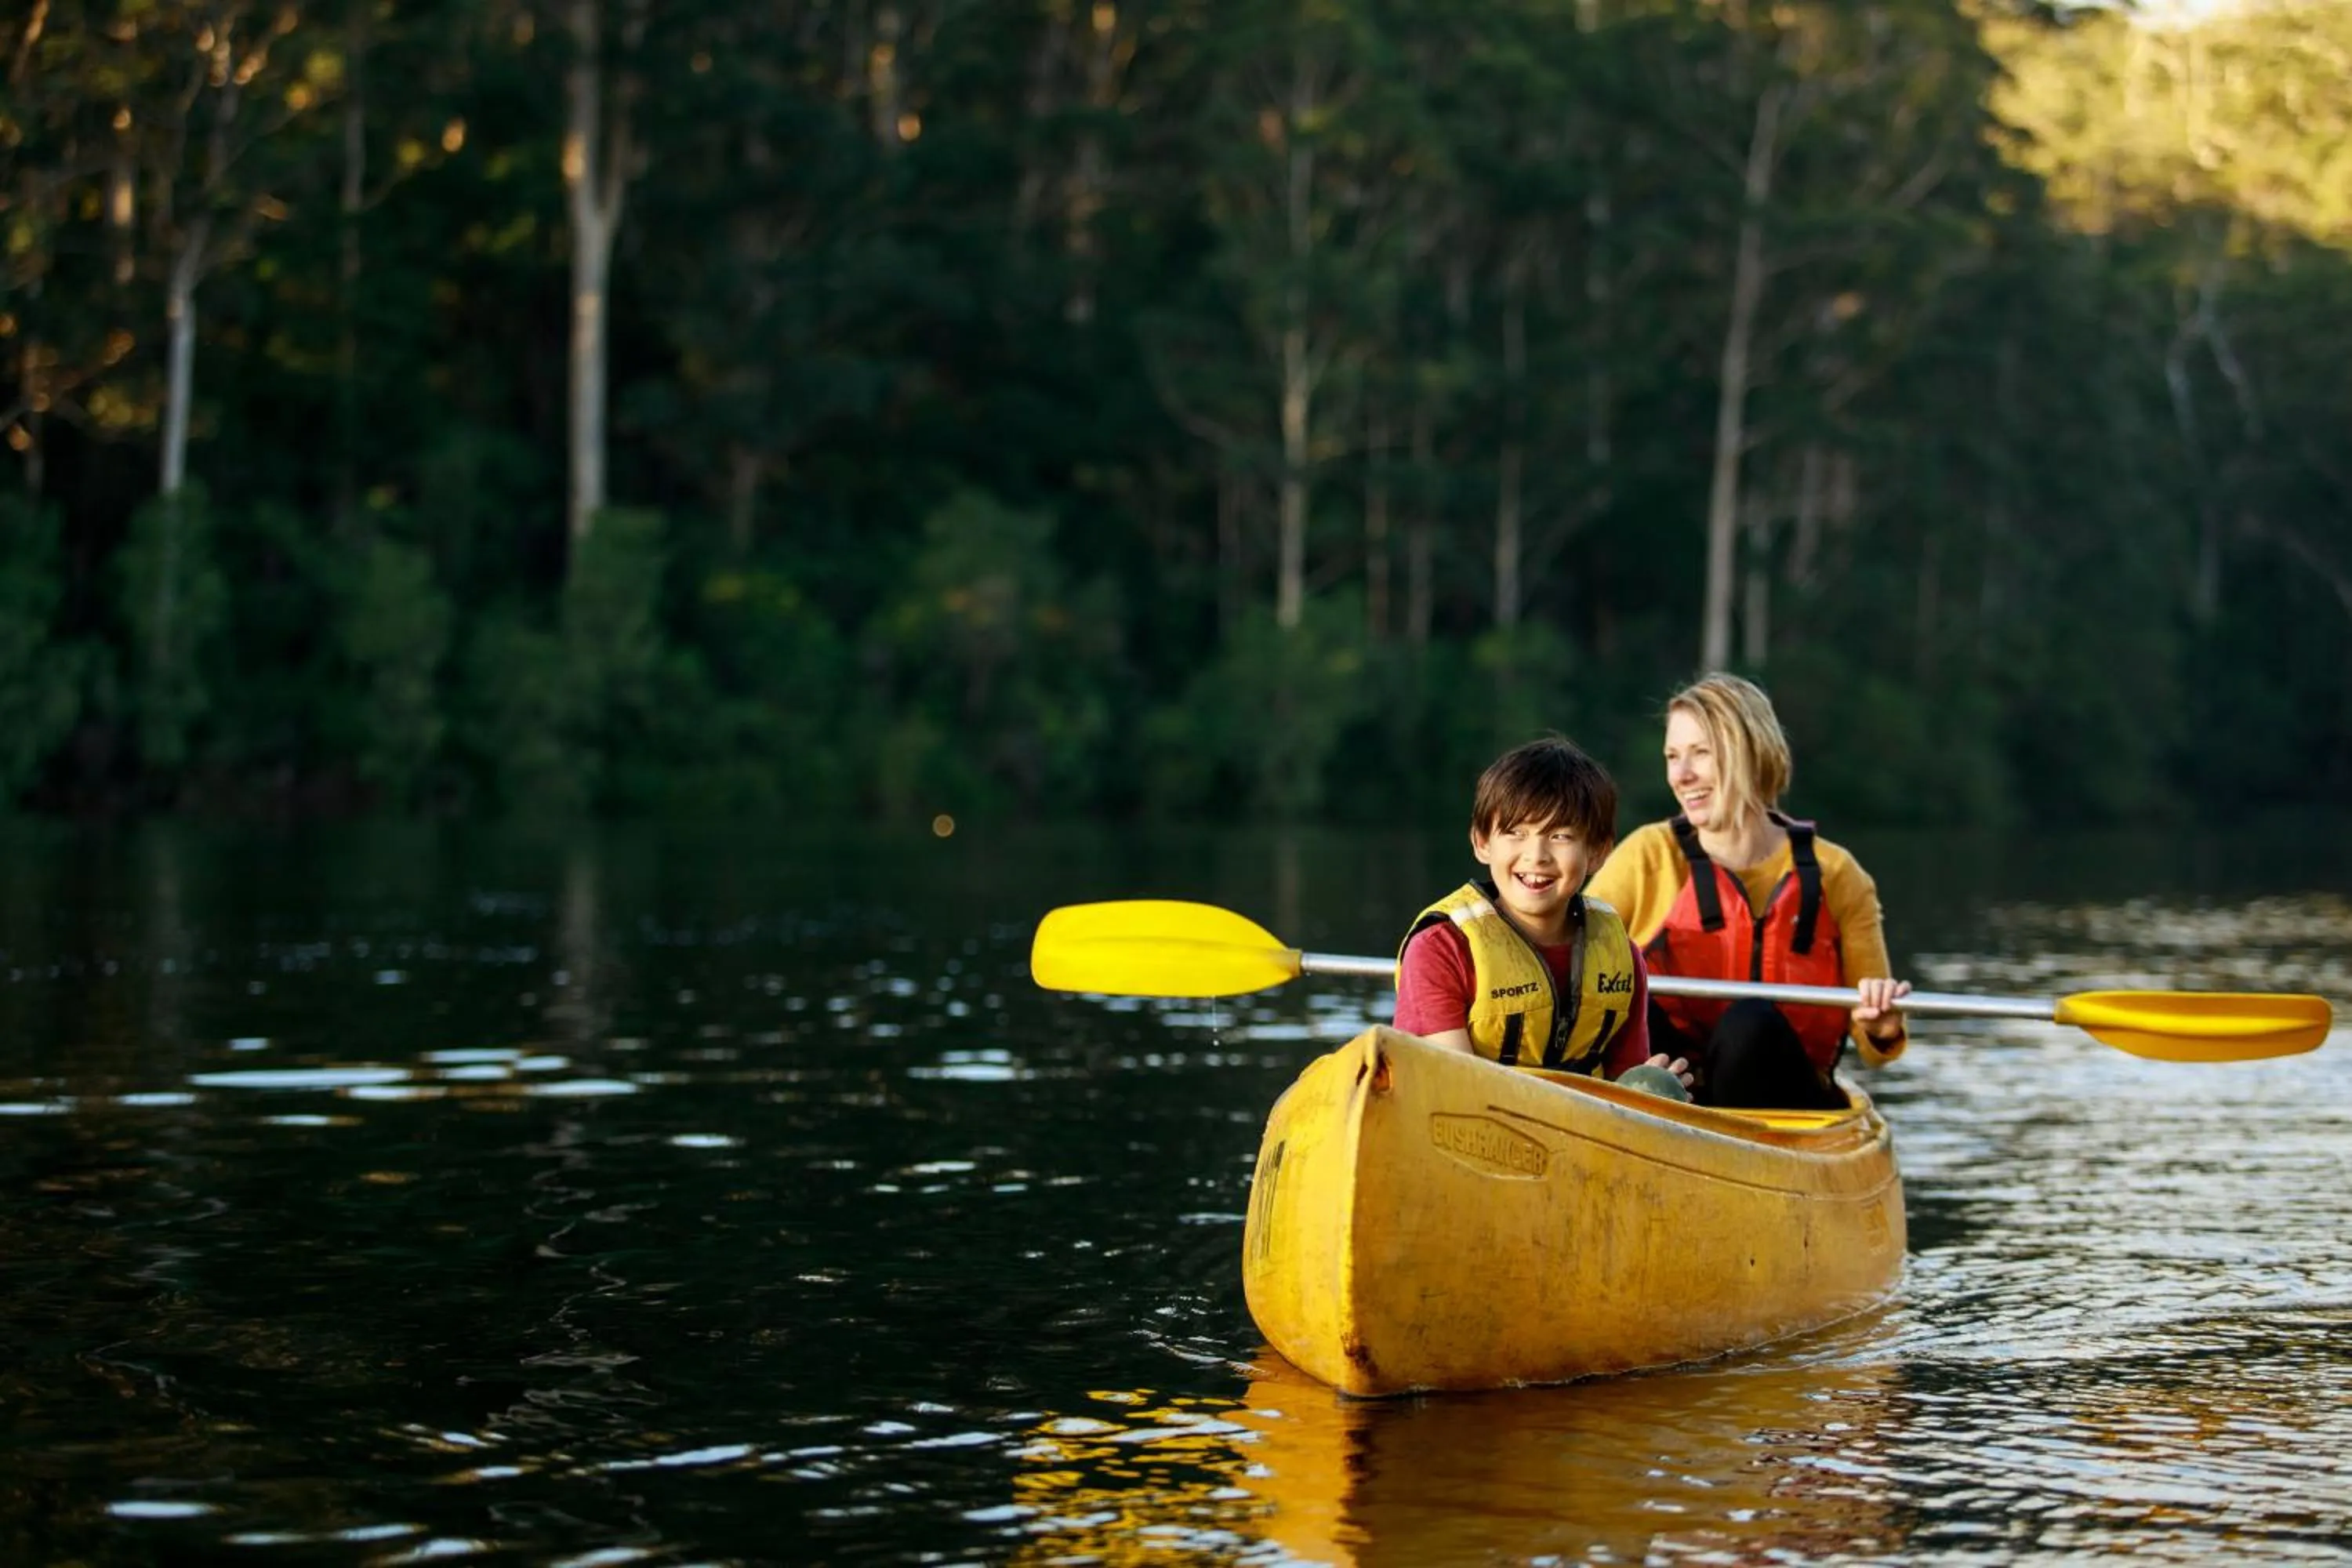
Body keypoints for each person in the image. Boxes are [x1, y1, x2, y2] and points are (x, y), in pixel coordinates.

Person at [1584, 673, 1910, 1110]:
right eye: (1672, 756)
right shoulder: (1647, 855)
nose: (1681, 775)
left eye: (1701, 753)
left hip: (1786, 1101)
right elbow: (1567, 951)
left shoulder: (1838, 874)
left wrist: (1882, 1024)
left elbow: (1875, 1048)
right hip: (1674, 1094)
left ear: (1752, 754)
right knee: (1627, 995)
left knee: (1749, 1023)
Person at [1393, 735, 1693, 1096]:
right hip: (1472, 1133)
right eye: (1516, 833)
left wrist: (1646, 1091)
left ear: (1598, 852)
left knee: (1660, 1090)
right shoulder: (1440, 950)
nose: (1536, 855)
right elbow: (1453, 1090)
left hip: (1582, 1135)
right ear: (1482, 842)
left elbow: (1622, 1085)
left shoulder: (1623, 958)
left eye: (1560, 836)